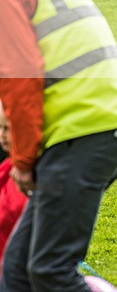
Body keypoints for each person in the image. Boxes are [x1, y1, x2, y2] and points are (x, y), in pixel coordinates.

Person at [0, 0, 117, 291]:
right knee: (17, 271)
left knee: (50, 270)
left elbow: (21, 75)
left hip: (84, 128)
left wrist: (23, 158)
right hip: (96, 123)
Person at [0, 99, 28, 273]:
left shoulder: (27, 177)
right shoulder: (6, 169)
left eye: (7, 129)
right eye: (0, 128)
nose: (2, 134)